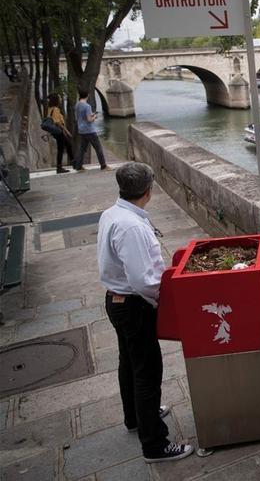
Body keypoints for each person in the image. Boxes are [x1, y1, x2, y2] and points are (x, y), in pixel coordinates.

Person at [97, 163, 193, 463]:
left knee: (129, 363)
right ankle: (155, 444)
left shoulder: (112, 214)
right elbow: (143, 281)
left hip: (116, 300)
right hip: (134, 305)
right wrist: (162, 302)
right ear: (149, 191)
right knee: (148, 373)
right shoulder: (132, 226)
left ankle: (135, 418)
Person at [74, 89, 109, 171]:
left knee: (82, 149)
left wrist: (91, 114)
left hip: (81, 129)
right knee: (98, 148)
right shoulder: (87, 106)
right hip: (89, 130)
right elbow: (89, 120)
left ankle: (78, 166)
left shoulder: (77, 105)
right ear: (87, 95)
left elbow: (82, 117)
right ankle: (103, 165)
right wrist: (94, 117)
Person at [46, 94, 74, 174]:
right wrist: (66, 131)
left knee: (67, 146)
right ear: (56, 100)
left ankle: (72, 162)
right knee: (63, 148)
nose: (61, 99)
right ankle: (63, 166)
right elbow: (57, 122)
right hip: (58, 131)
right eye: (60, 98)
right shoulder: (55, 109)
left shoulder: (50, 108)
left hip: (57, 132)